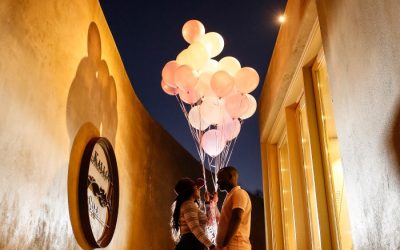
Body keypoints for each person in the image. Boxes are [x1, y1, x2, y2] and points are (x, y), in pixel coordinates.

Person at [171, 177, 217, 250]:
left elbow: (207, 222)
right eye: (197, 187)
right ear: (190, 190)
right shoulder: (188, 205)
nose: (199, 190)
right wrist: (211, 246)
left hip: (193, 244)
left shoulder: (190, 205)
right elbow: (195, 228)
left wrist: (208, 203)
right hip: (191, 245)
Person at [215, 166, 252, 249]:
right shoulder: (230, 195)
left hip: (236, 246)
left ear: (230, 177)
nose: (217, 182)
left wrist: (224, 245)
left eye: (220, 179)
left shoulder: (239, 193)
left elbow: (237, 218)